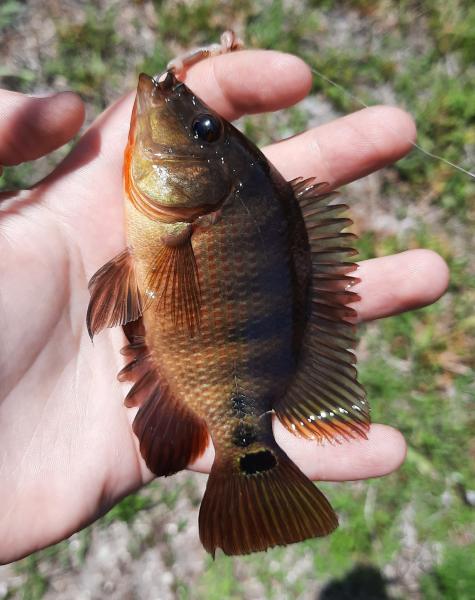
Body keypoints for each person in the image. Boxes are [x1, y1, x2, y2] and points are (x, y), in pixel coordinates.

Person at [0, 49, 449, 564]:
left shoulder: (194, 219)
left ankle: (249, 457)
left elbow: (131, 284)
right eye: (207, 129)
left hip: (219, 378)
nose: (195, 122)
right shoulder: (191, 217)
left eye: (204, 131)